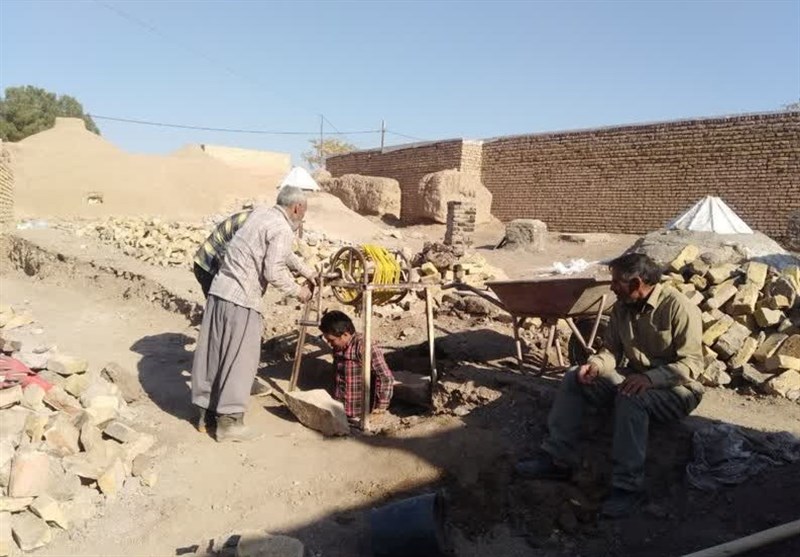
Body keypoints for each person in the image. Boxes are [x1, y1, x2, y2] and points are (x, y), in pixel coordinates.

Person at [517, 252, 704, 518]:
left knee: (631, 396)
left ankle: (627, 488)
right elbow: (612, 352)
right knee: (573, 376)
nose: (612, 287)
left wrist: (651, 379)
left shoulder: (679, 308)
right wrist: (595, 365)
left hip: (678, 388)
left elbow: (693, 364)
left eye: (616, 281)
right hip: (636, 376)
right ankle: (558, 459)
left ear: (637, 283)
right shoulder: (621, 308)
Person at [191, 186, 316, 442]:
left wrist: (307, 271)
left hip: (220, 292)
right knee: (241, 359)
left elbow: (283, 254)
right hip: (243, 300)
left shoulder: (260, 215)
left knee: (213, 354)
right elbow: (274, 271)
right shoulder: (281, 228)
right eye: (303, 212)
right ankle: (230, 423)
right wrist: (299, 291)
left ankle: (204, 415)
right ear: (297, 208)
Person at [319, 310, 394, 427]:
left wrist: (380, 408)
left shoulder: (364, 346)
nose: (329, 344)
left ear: (345, 334)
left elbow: (385, 377)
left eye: (331, 340)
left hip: (359, 414)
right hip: (340, 409)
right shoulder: (339, 346)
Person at [193, 209, 252, 298]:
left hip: (206, 262)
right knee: (222, 304)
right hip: (207, 266)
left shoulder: (255, 219)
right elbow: (226, 253)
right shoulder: (251, 226)